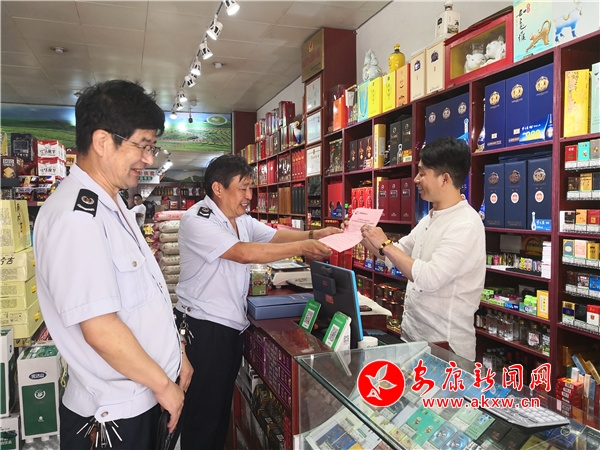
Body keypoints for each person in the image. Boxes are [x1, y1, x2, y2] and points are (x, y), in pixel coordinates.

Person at [33, 80, 193, 449]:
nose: (149, 159)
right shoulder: (76, 218)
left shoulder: (112, 204)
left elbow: (145, 297)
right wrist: (163, 384)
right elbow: (100, 328)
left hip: (141, 397)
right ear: (103, 142)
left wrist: (177, 354)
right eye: (143, 145)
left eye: (152, 147)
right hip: (114, 419)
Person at [175, 153, 342, 449]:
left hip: (229, 326)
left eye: (250, 188)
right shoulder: (197, 219)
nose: (249, 196)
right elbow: (243, 253)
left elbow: (273, 237)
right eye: (243, 188)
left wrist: (315, 233)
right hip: (203, 328)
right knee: (203, 413)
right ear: (218, 188)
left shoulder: (240, 220)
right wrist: (304, 247)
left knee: (219, 409)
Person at [360, 136, 485, 361]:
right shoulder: (431, 218)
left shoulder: (465, 224)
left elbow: (429, 278)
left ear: (444, 179)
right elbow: (395, 254)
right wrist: (363, 237)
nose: (416, 179)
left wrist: (385, 244)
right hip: (415, 338)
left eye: (422, 173)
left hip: (445, 349)